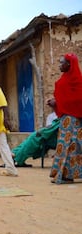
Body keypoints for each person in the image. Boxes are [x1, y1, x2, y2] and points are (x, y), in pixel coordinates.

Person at [47, 53, 82, 184]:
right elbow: (65, 98)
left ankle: (67, 175)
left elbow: (77, 100)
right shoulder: (64, 79)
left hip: (74, 121)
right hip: (66, 120)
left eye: (62, 62)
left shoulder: (78, 81)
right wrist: (56, 102)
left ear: (69, 64)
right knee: (63, 146)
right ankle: (61, 174)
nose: (59, 65)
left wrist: (58, 102)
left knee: (72, 147)